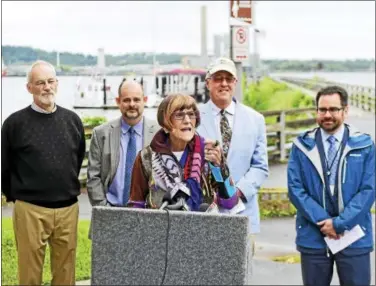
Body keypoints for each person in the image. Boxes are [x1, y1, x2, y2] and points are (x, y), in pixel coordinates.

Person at [1, 60, 86, 285]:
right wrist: (15, 196)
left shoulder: (72, 120)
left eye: (50, 81)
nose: (46, 87)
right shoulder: (14, 124)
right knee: (29, 274)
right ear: (29, 87)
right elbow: (5, 165)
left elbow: (76, 159)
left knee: (65, 274)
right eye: (40, 83)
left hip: (68, 209)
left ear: (57, 83)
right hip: (31, 209)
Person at [287, 85, 375, 286]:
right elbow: (295, 189)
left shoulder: (365, 145)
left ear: (345, 110)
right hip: (313, 235)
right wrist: (324, 222)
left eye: (333, 109)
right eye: (322, 110)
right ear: (316, 111)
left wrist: (339, 224)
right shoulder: (301, 146)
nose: (327, 115)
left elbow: (368, 190)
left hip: (354, 236)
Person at [127, 93, 244, 213]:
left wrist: (218, 168)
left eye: (191, 114)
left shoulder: (210, 152)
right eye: (179, 115)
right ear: (165, 123)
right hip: (160, 229)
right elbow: (136, 206)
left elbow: (230, 202)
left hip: (202, 228)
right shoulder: (146, 157)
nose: (187, 120)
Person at [196, 57, 269, 240]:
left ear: (235, 82)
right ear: (207, 83)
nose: (224, 84)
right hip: (203, 213)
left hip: (243, 212)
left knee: (241, 268)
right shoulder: (193, 118)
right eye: (218, 78)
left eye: (229, 79)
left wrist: (237, 192)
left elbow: (260, 166)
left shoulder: (256, 120)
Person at [87, 79, 159, 208]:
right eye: (126, 100)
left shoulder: (159, 134)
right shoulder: (101, 134)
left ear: (145, 100)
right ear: (118, 101)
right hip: (111, 210)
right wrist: (103, 208)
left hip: (148, 213)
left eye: (136, 100)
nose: (132, 104)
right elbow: (93, 177)